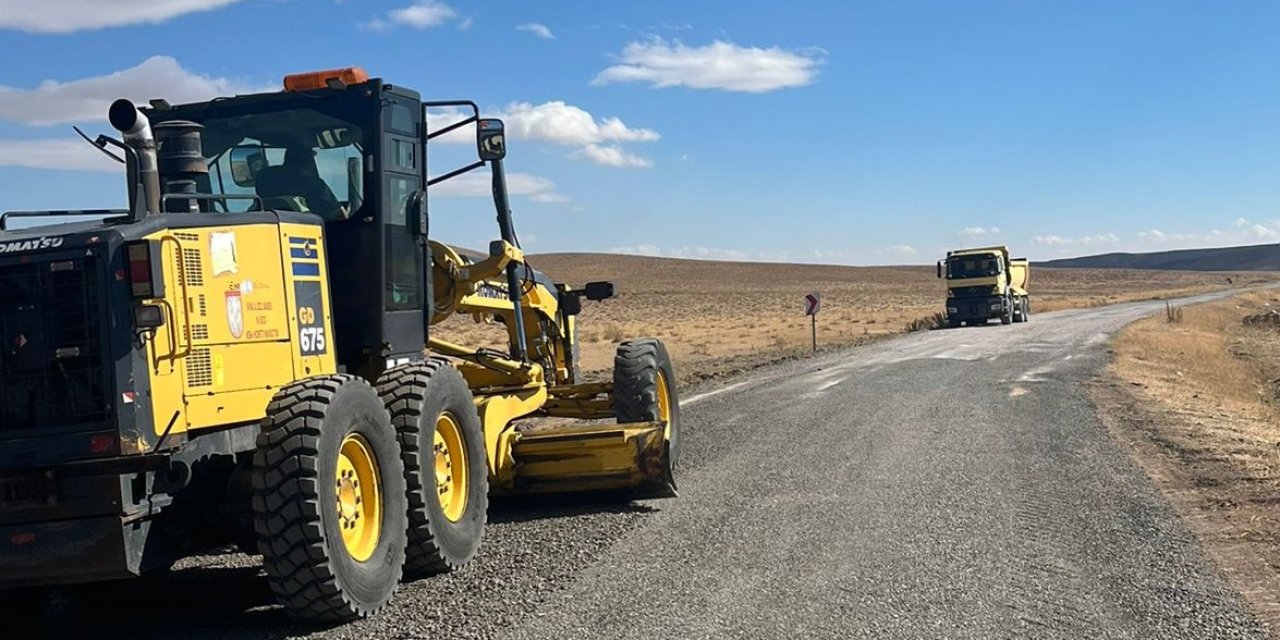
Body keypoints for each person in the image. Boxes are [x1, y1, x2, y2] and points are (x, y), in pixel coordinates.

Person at [254, 146, 345, 220]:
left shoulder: (268, 189)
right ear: (308, 162)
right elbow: (338, 216)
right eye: (311, 160)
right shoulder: (314, 186)